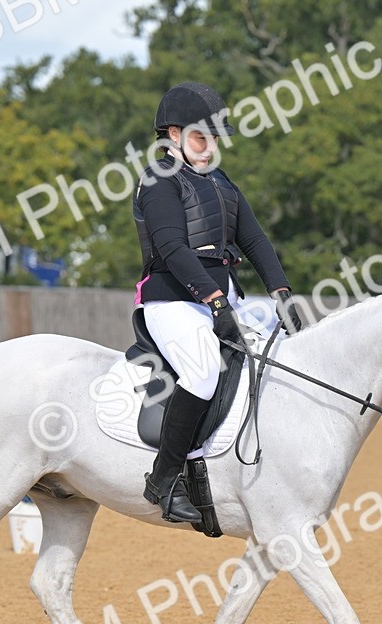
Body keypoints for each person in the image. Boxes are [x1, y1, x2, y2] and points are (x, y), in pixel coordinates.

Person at [133, 81, 303, 525]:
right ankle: (165, 479)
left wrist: (282, 292)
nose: (208, 149)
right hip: (173, 300)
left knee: (273, 362)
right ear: (173, 135)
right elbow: (172, 247)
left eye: (213, 139)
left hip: (221, 300)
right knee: (204, 372)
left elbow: (254, 239)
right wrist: (213, 301)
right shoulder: (158, 181)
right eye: (198, 138)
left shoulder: (221, 183)